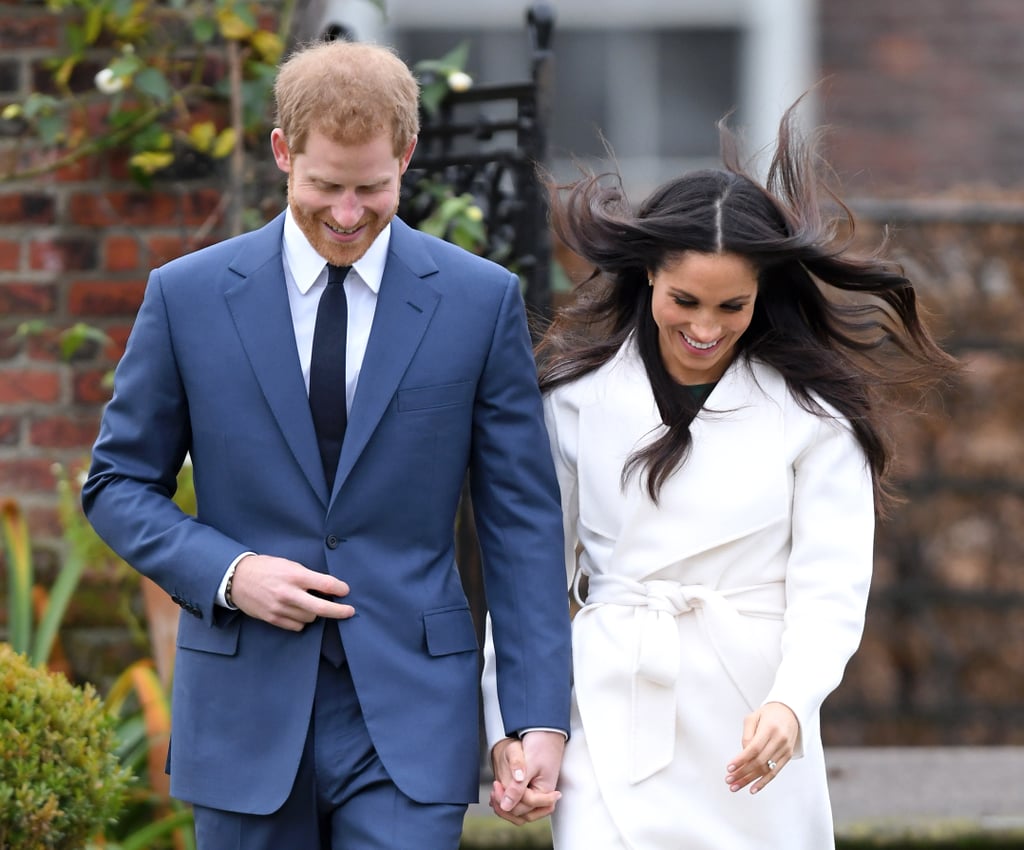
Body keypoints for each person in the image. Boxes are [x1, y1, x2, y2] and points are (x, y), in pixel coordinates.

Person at [82, 39, 571, 850]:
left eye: (372, 188)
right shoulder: (189, 297)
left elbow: (521, 524)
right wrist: (231, 574)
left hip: (411, 716)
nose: (348, 214)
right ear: (282, 152)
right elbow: (116, 484)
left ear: (407, 156)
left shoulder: (480, 303)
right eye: (325, 187)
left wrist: (535, 718)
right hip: (246, 710)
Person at [481, 102, 956, 848]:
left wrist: (794, 703)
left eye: (732, 305)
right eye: (685, 301)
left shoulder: (817, 418)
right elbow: (530, 582)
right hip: (613, 706)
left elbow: (830, 590)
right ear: (647, 279)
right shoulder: (574, 402)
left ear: (764, 293)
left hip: (752, 717)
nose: (706, 327)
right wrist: (513, 725)